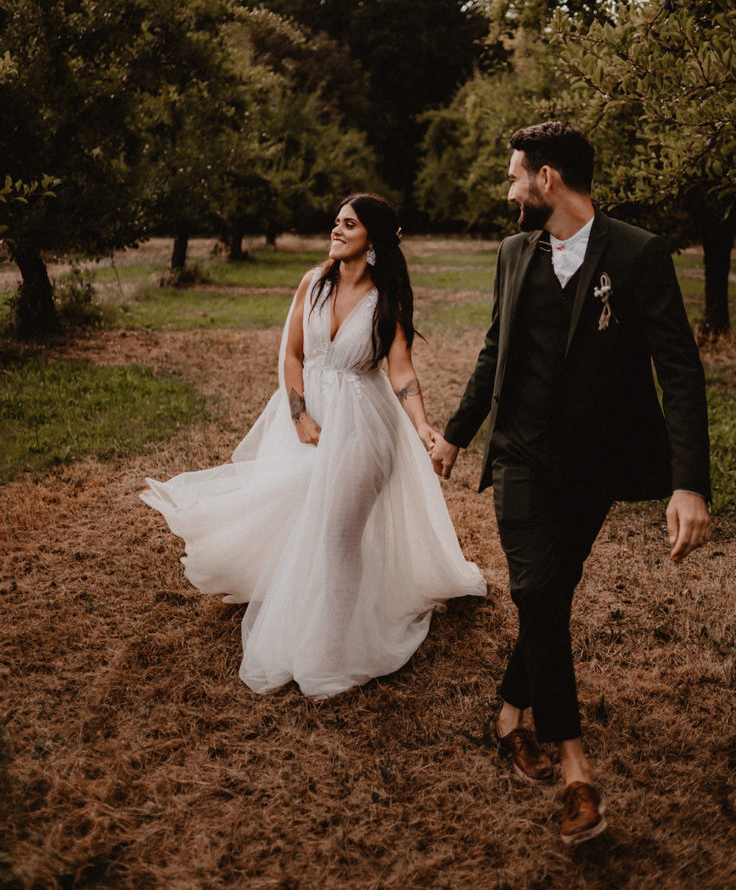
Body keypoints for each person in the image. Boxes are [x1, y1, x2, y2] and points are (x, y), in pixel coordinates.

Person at [430, 121, 711, 846]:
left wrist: (691, 483)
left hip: (596, 465)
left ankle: (509, 710)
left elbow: (677, 370)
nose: (509, 188)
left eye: (516, 174)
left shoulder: (639, 253)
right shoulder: (513, 253)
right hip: (522, 453)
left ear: (548, 179)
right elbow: (497, 348)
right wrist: (457, 435)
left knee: (552, 589)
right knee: (537, 590)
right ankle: (576, 772)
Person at [141, 193, 486, 699]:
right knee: (304, 520)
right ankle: (314, 607)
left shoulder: (388, 295)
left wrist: (422, 426)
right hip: (308, 421)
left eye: (349, 224)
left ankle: (333, 649)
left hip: (366, 424)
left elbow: (401, 369)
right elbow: (293, 357)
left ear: (373, 238)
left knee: (337, 534)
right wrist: (299, 415)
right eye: (337, 222)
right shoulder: (314, 282)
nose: (337, 230)